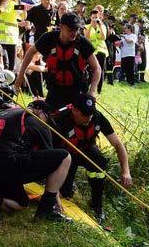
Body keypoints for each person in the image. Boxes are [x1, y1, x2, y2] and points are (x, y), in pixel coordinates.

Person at [0, 101, 72, 222]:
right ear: (40, 111)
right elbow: (52, 166)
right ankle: (46, 210)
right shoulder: (37, 121)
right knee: (64, 157)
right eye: (47, 118)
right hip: (9, 165)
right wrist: (56, 200)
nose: (47, 122)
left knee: (22, 203)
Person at [53, 93, 132, 223]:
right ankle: (67, 188)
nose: (89, 118)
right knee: (64, 193)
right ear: (74, 110)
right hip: (67, 156)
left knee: (99, 161)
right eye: (85, 114)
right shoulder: (60, 119)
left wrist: (126, 171)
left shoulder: (97, 117)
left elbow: (118, 144)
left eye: (90, 114)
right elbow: (50, 150)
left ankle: (97, 205)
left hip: (87, 150)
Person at [14, 12, 102, 109]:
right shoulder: (48, 38)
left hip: (77, 90)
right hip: (55, 90)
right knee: (48, 118)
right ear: (61, 26)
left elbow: (97, 68)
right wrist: (21, 74)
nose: (74, 33)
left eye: (77, 29)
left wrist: (92, 91)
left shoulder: (82, 42)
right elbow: (30, 52)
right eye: (71, 29)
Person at [84, 9, 109, 93]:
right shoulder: (86, 26)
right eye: (93, 17)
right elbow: (86, 37)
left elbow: (103, 37)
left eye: (96, 17)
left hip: (101, 50)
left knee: (100, 70)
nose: (95, 19)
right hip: (91, 51)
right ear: (90, 17)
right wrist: (91, 26)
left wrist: (100, 26)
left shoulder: (102, 26)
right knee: (89, 70)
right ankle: (87, 88)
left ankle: (98, 89)